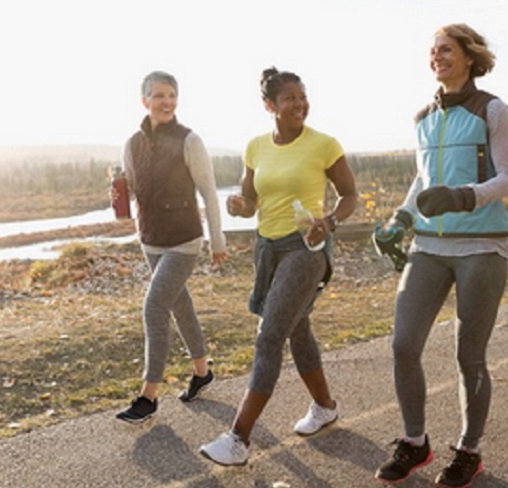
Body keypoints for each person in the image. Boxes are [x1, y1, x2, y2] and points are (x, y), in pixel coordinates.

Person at [373, 24, 508, 487]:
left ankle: (469, 452)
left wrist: (462, 196)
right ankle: (415, 442)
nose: (437, 56)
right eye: (433, 51)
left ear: (470, 57)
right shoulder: (424, 117)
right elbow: (422, 180)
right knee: (403, 344)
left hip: (481, 245)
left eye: (446, 49)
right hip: (429, 247)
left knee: (468, 355)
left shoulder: (492, 109)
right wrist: (399, 219)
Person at [199, 67, 358, 465]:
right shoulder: (255, 147)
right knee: (297, 327)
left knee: (269, 336)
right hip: (268, 249)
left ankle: (238, 439)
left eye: (302, 96)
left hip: (306, 248)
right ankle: (325, 406)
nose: (299, 104)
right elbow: (250, 201)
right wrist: (239, 206)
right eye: (289, 98)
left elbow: (350, 195)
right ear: (270, 105)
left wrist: (330, 222)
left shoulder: (324, 144)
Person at [115, 70, 229, 423]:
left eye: (172, 96)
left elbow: (209, 193)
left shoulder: (189, 141)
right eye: (159, 96)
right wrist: (119, 195)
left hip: (184, 240)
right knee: (180, 305)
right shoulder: (131, 144)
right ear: (145, 101)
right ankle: (202, 372)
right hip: (151, 240)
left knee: (154, 307)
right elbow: (133, 189)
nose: (167, 102)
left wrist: (217, 240)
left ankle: (148, 396)